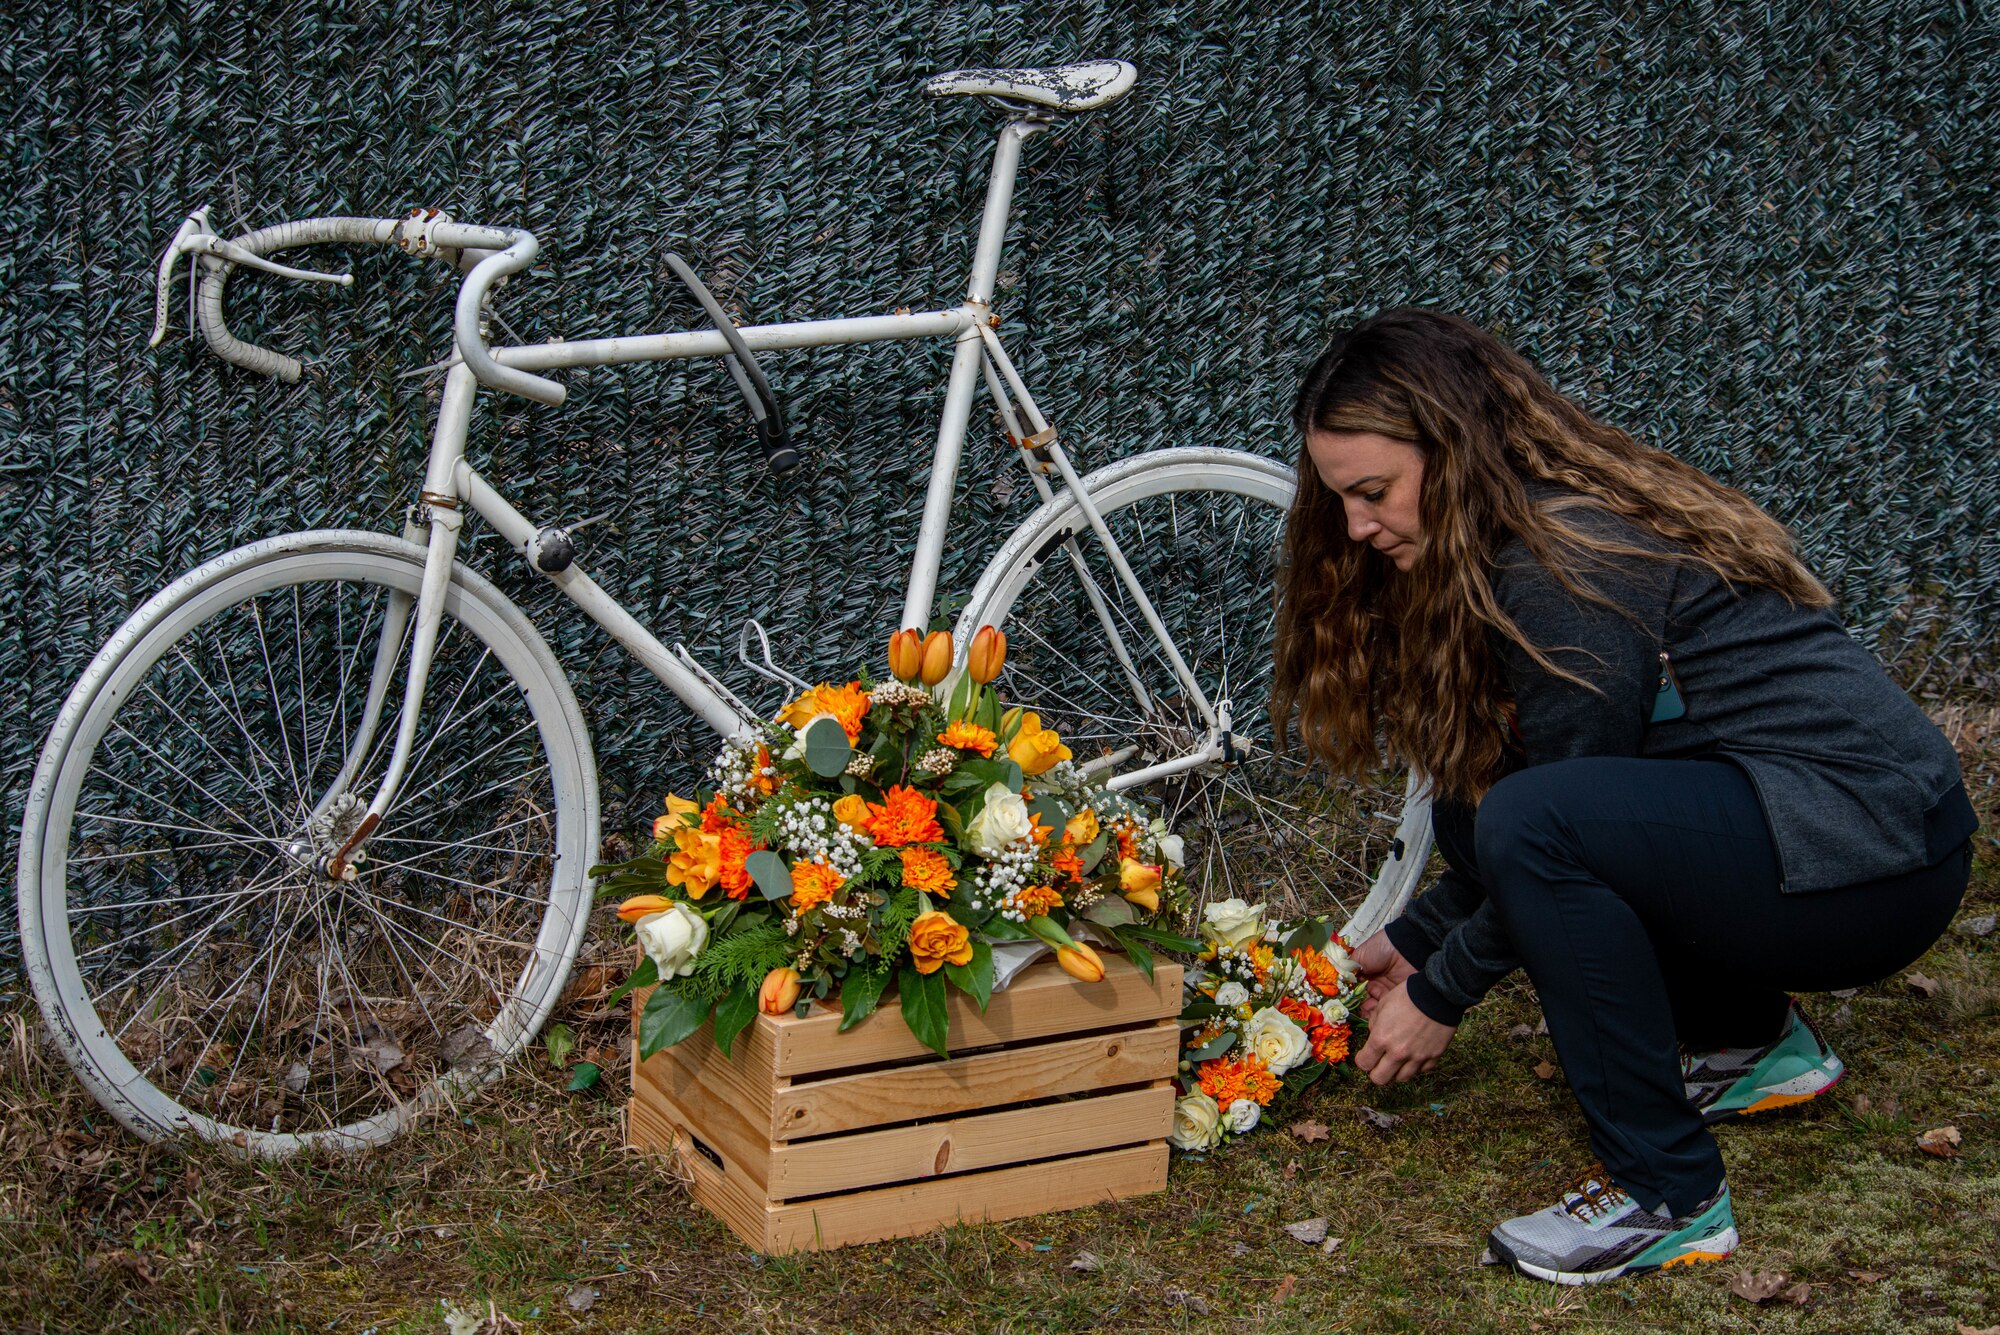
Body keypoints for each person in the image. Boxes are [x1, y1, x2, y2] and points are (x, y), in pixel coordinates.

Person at [1271, 308, 1976, 1286]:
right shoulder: (1520, 529)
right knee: (1483, 805)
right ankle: (1750, 1044)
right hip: (1853, 839)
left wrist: (1439, 991)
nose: (1353, 525)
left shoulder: (1566, 564)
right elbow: (1552, 807)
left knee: (1530, 819)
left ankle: (1664, 1195)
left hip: (1873, 861)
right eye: (1341, 497)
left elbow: (1556, 832)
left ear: (1451, 447)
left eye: (1372, 491)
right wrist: (1422, 933)